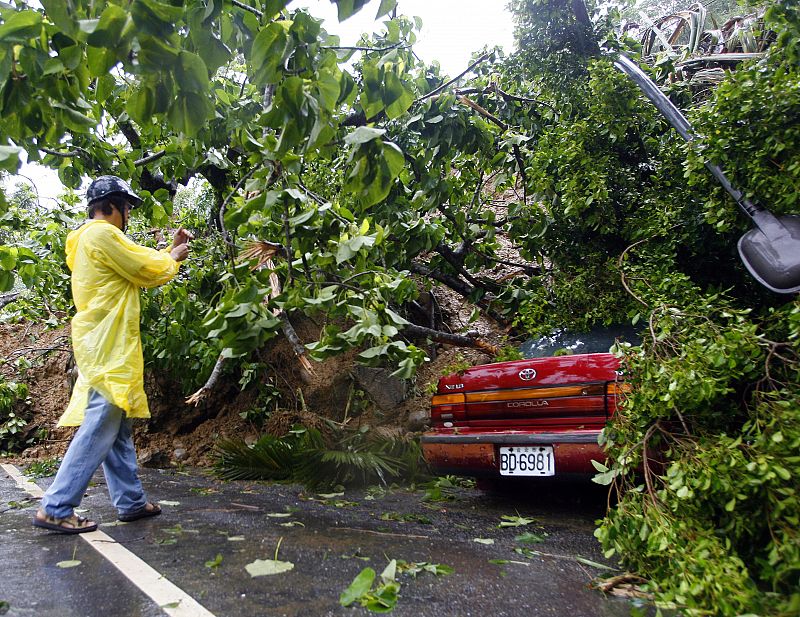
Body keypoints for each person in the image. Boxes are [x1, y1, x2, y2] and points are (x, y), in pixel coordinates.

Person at [32, 175, 192, 534]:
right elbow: (145, 270)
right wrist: (173, 256)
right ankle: (56, 507)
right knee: (101, 424)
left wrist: (166, 253)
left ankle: (131, 502)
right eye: (127, 209)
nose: (129, 216)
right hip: (107, 344)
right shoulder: (101, 234)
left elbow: (133, 263)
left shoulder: (86, 240)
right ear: (113, 208)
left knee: (116, 427)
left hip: (101, 341)